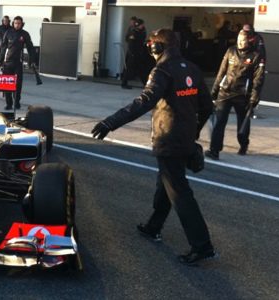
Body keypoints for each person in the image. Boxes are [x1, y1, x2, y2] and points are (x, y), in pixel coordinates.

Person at [91, 28, 216, 266]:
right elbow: (207, 106)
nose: (149, 47)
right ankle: (153, 226)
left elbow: (143, 101)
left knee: (179, 192)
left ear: (158, 48)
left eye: (152, 44)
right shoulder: (192, 68)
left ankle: (202, 245)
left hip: (168, 139)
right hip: (183, 139)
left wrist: (111, 122)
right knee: (166, 183)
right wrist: (193, 132)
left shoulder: (162, 70)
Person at [205, 28, 265, 159]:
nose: (240, 42)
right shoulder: (230, 51)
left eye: (243, 40)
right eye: (238, 39)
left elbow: (258, 78)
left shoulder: (256, 55)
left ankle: (243, 144)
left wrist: (254, 96)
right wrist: (214, 91)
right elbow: (221, 71)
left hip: (243, 95)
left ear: (250, 40)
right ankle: (214, 150)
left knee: (242, 123)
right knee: (219, 122)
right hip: (225, 92)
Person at [0, 16, 36, 110]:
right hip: (7, 62)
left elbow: (30, 48)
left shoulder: (25, 34)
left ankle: (17, 102)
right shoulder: (8, 32)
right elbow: (3, 47)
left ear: (22, 24)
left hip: (18, 62)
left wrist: (32, 60)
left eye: (19, 23)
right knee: (7, 84)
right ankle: (8, 103)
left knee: (18, 84)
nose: (17, 25)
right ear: (13, 23)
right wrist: (0, 60)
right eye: (15, 23)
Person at [121, 18, 149, 89]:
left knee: (141, 69)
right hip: (132, 54)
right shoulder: (133, 32)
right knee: (129, 69)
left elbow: (142, 41)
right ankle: (124, 83)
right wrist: (132, 54)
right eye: (142, 25)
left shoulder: (142, 31)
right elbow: (131, 43)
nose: (143, 26)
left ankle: (146, 84)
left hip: (139, 53)